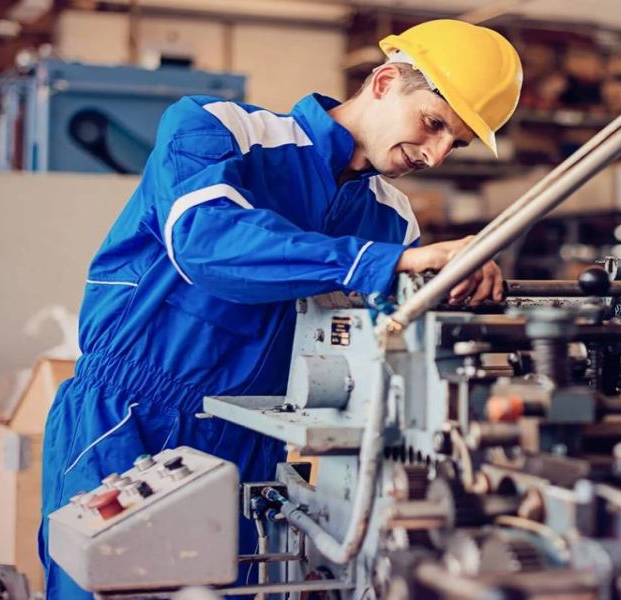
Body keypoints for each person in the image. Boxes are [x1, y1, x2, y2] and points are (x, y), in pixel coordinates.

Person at [38, 19, 522, 598]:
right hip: (132, 419)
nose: (437, 155)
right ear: (386, 81)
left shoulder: (393, 219)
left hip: (254, 444)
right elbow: (206, 243)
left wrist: (461, 288)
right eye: (434, 124)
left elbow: (391, 339)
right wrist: (383, 264)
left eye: (456, 143)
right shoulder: (221, 128)